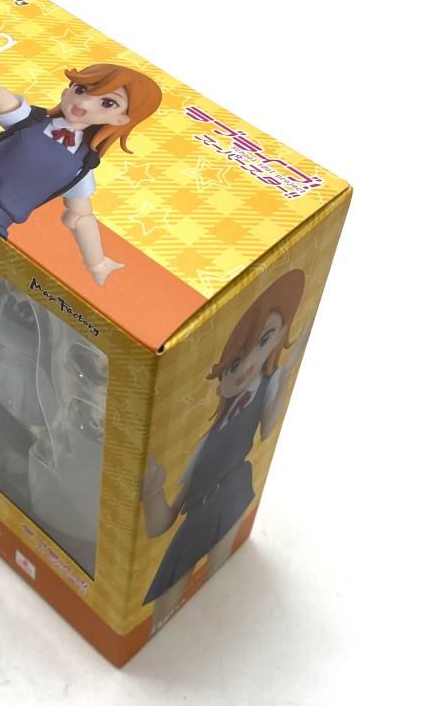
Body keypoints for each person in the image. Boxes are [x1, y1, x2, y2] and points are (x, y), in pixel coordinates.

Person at [0, 31, 162, 286]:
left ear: (120, 120)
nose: (84, 102)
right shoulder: (28, 120)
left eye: (107, 103)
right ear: (67, 91)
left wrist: (97, 263)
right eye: (81, 89)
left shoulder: (82, 166)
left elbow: (80, 217)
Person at [141, 269, 309, 633]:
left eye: (265, 340)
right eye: (234, 364)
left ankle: (220, 627)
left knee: (220, 577)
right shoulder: (204, 443)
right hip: (196, 515)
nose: (248, 364)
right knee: (165, 602)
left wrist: (286, 373)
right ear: (221, 381)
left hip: (231, 493)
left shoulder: (267, 384)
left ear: (280, 334)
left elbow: (268, 427)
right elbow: (160, 525)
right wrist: (152, 488)